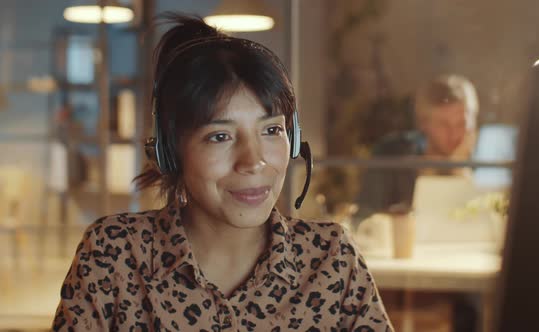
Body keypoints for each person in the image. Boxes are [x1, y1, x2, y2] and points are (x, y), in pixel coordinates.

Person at [52, 13, 393, 331]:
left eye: (271, 130)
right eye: (220, 136)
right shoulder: (114, 255)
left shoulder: (331, 258)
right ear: (170, 151)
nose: (253, 161)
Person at [355, 74, 479, 221]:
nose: (453, 134)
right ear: (424, 123)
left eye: (461, 123)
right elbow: (363, 218)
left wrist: (459, 168)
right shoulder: (391, 154)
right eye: (443, 124)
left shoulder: (484, 157)